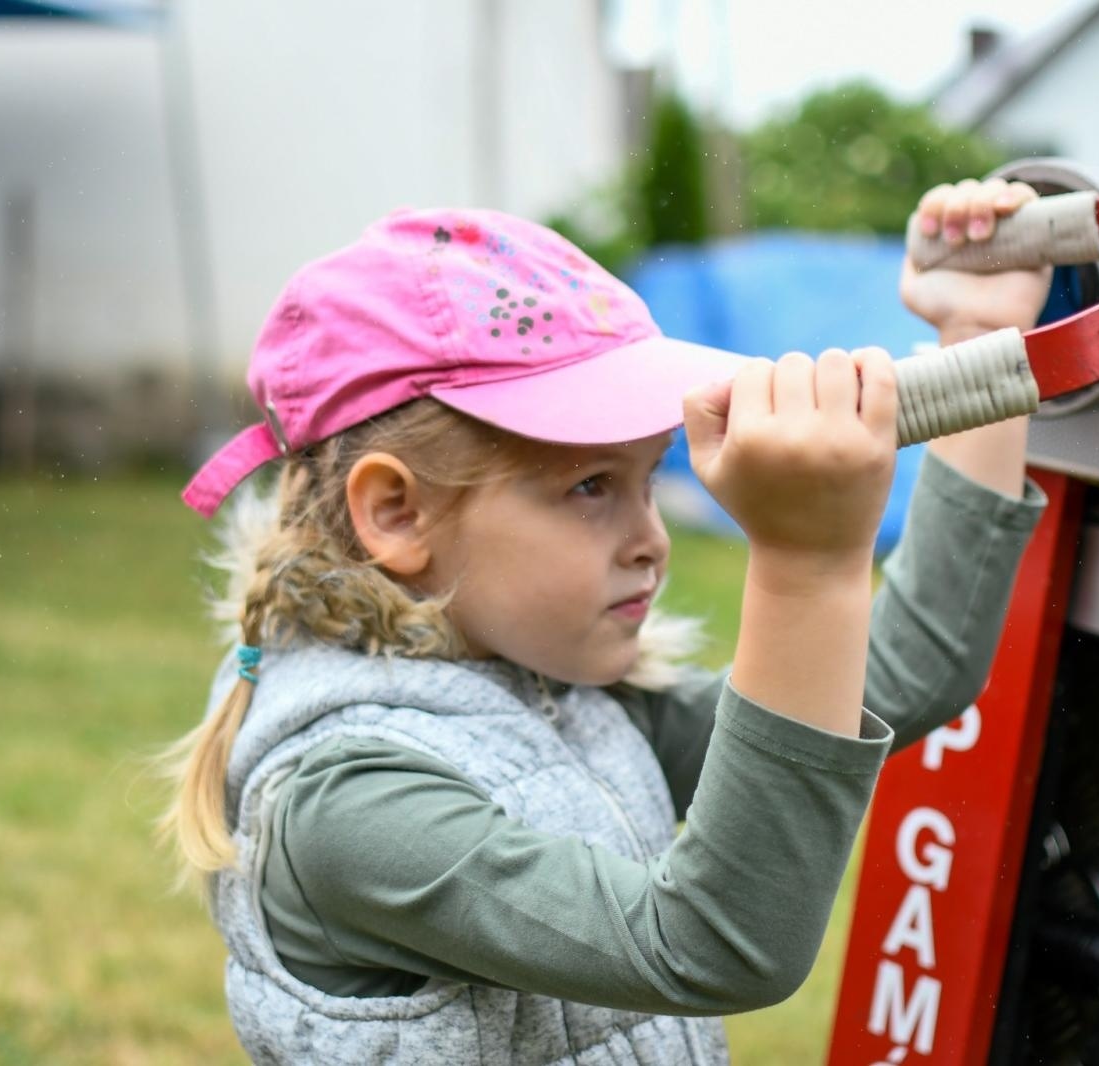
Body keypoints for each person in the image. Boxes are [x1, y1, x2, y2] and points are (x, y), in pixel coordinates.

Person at [158, 178, 1052, 1065]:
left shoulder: (567, 701)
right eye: (590, 487)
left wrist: (976, 334)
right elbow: (713, 944)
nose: (651, 540)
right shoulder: (350, 807)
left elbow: (906, 674)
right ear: (396, 512)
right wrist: (807, 565)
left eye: (648, 477)